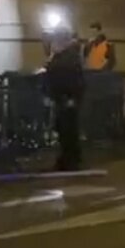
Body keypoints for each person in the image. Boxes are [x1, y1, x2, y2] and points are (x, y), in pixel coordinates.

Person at [44, 27, 86, 172]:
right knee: (63, 130)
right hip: (62, 98)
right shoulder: (60, 56)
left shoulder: (69, 57)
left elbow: (74, 80)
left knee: (68, 130)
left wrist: (71, 97)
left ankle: (71, 160)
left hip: (67, 99)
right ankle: (67, 158)